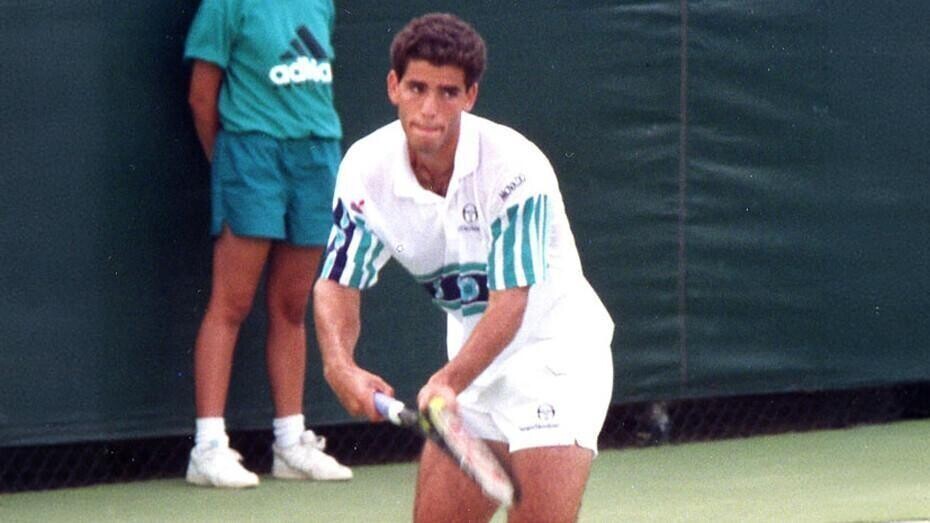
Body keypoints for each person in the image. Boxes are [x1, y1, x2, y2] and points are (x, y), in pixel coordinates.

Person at [313, 12, 614, 521]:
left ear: (470, 96)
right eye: (417, 88)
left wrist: (449, 381)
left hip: (556, 361)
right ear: (393, 87)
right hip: (471, 369)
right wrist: (340, 366)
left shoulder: (517, 168)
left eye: (448, 93)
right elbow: (339, 282)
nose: (430, 109)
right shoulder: (365, 171)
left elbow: (510, 302)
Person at [182, 0, 352, 488]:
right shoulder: (226, 5)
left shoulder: (320, 4)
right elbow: (201, 97)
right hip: (250, 153)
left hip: (318, 155)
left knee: (292, 306)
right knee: (230, 304)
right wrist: (232, 166)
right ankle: (208, 448)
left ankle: (290, 443)